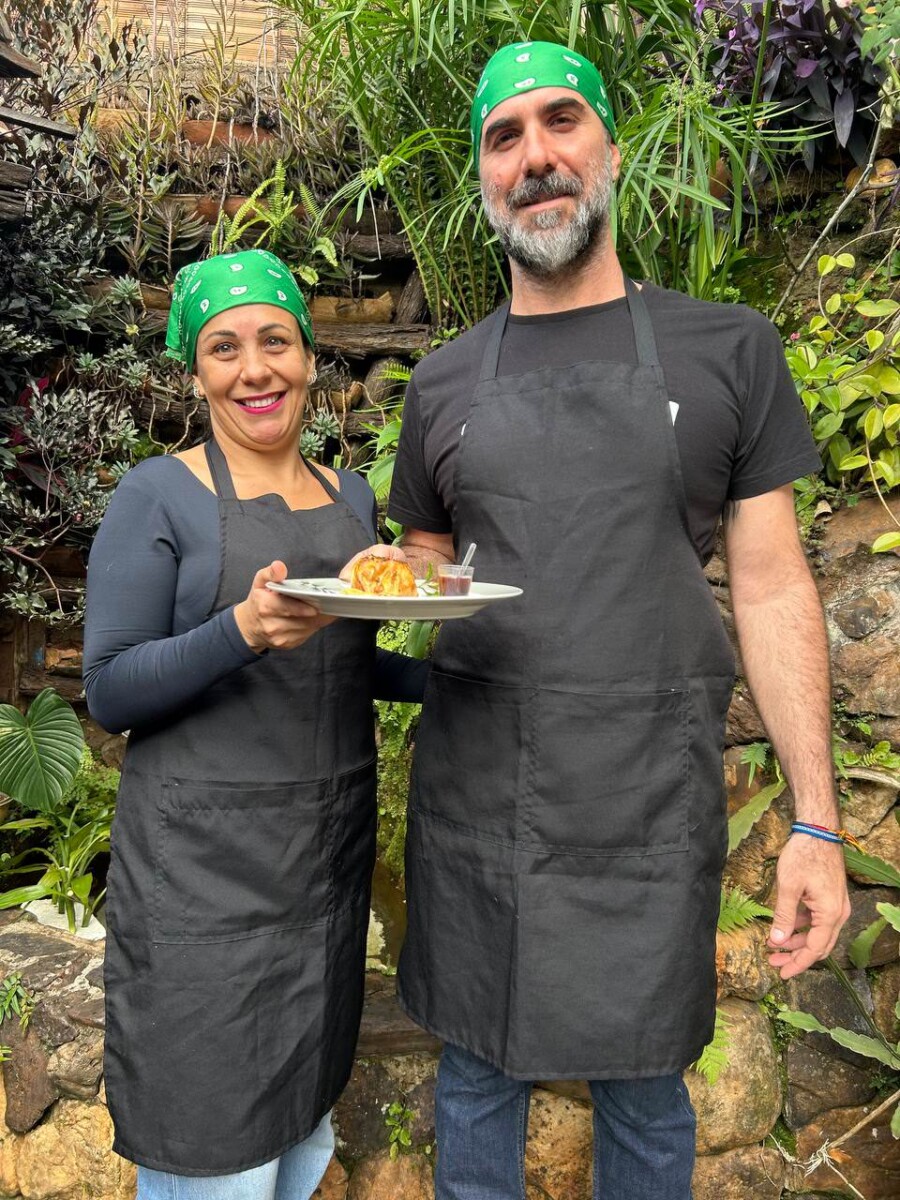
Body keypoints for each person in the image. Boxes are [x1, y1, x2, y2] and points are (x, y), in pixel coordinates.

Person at [380, 41, 851, 1200]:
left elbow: (774, 586)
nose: (535, 156)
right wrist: (367, 576)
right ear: (484, 179)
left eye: (562, 121)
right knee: (475, 1074)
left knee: (645, 1091)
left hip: (646, 801)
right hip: (481, 803)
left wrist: (817, 821)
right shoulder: (442, 383)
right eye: (504, 138)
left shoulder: (729, 348)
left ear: (612, 152)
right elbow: (425, 569)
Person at [83, 249, 427, 1199]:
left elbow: (340, 661)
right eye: (224, 349)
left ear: (310, 358)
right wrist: (240, 630)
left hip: (320, 877)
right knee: (214, 1156)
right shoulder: (158, 494)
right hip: (201, 889)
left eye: (275, 341)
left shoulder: (350, 499)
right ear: (197, 375)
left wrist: (455, 680)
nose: (254, 369)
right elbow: (110, 689)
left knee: (297, 1146)